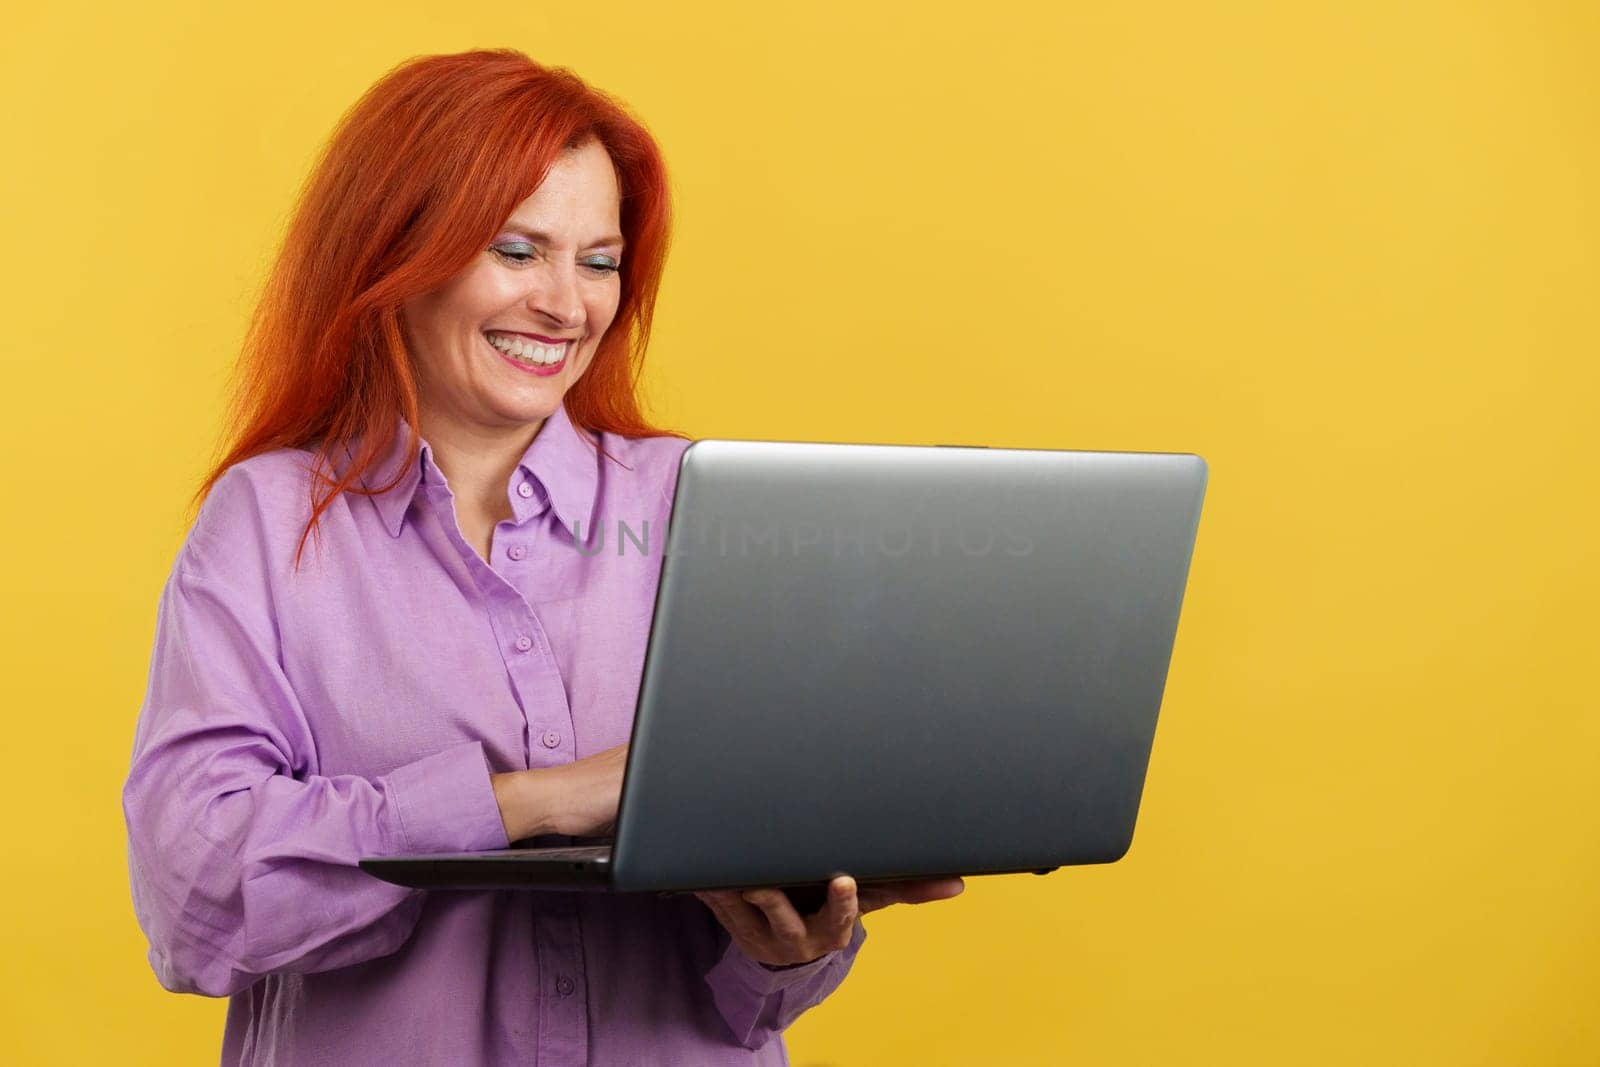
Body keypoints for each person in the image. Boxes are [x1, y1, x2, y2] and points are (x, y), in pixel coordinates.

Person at [121, 48, 963, 1065]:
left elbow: (758, 976)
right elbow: (190, 886)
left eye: (598, 260)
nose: (567, 306)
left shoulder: (698, 507)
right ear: (397, 250)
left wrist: (788, 947)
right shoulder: (265, 522)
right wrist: (538, 798)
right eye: (517, 250)